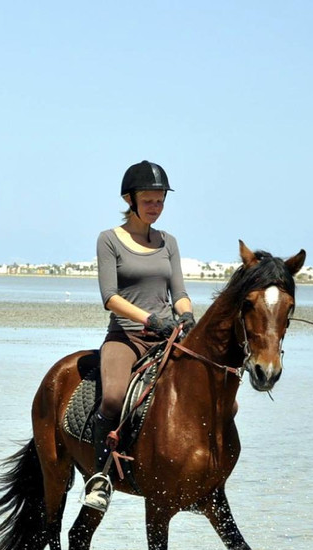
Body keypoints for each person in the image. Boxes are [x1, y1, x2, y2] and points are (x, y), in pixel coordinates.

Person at [82, 160, 195, 512]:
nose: (155, 208)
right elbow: (110, 298)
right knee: (114, 398)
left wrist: (187, 315)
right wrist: (149, 319)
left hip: (166, 336)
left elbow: (178, 291)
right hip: (126, 338)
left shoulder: (169, 242)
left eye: (160, 201)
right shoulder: (109, 240)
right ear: (130, 199)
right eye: (148, 200)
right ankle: (100, 478)